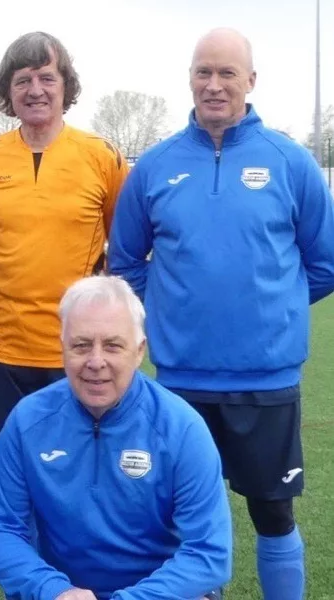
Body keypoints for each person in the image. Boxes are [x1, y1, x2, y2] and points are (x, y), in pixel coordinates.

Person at [108, 27, 334, 600]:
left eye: (227, 73)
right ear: (190, 79)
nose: (214, 85)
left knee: (273, 514)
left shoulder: (290, 161)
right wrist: (166, 314)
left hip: (267, 381)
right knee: (181, 526)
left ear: (250, 81)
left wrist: (271, 308)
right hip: (179, 382)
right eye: (203, 72)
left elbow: (325, 263)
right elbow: (126, 261)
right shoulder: (156, 166)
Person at [0, 274, 232, 599]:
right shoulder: (28, 421)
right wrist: (52, 589)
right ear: (63, 347)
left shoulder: (181, 428)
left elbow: (209, 554)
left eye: (112, 345)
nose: (96, 362)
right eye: (81, 345)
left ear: (139, 351)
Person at [0, 32, 129, 453]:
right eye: (22, 80)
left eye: (46, 78)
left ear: (65, 85)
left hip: (78, 351)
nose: (35, 90)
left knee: (84, 468)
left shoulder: (101, 156)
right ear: (8, 90)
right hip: (5, 348)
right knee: (12, 470)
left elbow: (125, 255)